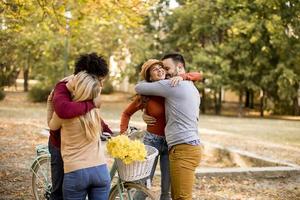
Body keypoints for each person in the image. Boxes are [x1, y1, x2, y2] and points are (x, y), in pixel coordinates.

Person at [120, 59, 202, 200]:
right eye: (154, 69)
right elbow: (126, 113)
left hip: (171, 143)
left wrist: (183, 76)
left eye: (161, 67)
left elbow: (198, 75)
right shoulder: (147, 96)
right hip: (152, 140)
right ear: (150, 77)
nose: (160, 70)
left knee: (167, 188)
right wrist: (123, 132)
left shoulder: (173, 85)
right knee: (144, 182)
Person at [47, 53, 113, 200]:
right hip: (59, 144)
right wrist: (92, 104)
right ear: (86, 75)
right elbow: (63, 110)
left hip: (80, 150)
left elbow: (92, 114)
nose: (101, 85)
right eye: (99, 80)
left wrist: (108, 130)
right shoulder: (62, 87)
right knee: (59, 193)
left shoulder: (90, 88)